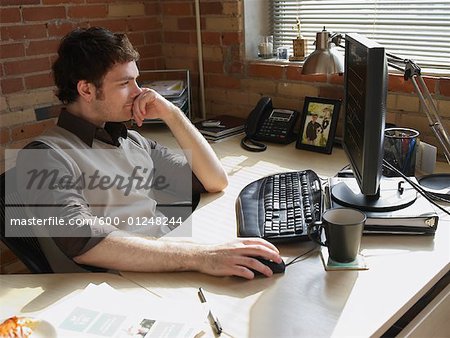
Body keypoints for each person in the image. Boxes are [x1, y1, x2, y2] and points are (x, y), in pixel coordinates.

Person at [15, 27, 281, 279]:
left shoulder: (130, 140)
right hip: (124, 287)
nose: (139, 92)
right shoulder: (44, 156)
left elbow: (214, 180)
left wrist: (172, 113)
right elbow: (84, 242)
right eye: (124, 83)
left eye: (136, 80)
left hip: (172, 260)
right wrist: (202, 256)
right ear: (86, 89)